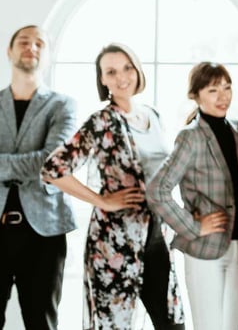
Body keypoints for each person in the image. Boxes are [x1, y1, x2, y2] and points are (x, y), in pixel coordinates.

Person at [41, 43, 184, 330]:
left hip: (157, 238)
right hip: (113, 243)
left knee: (172, 323)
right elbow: (53, 170)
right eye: (111, 71)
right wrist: (102, 201)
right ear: (102, 79)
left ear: (137, 69)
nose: (122, 77)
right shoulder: (101, 121)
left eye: (127, 68)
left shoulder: (153, 116)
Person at [147, 62, 238, 330]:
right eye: (213, 90)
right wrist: (192, 227)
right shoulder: (190, 137)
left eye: (227, 88)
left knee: (232, 326)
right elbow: (157, 190)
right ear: (196, 95)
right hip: (205, 251)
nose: (223, 96)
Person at [0, 25, 77, 329]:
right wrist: (31, 164)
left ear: (48, 55)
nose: (31, 47)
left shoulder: (63, 105)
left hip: (44, 232)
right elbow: (38, 162)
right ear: (10, 50)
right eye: (24, 41)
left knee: (41, 322)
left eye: (39, 43)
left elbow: (53, 162)